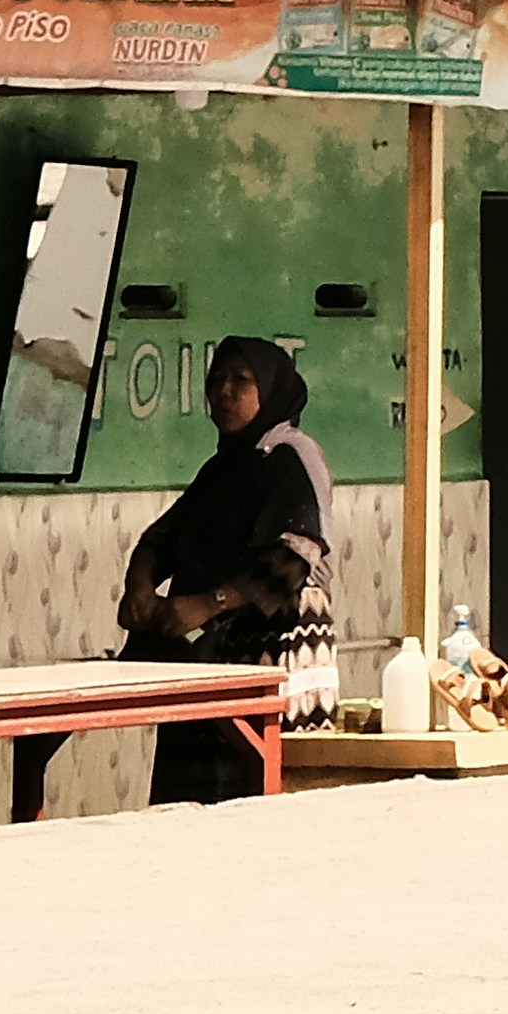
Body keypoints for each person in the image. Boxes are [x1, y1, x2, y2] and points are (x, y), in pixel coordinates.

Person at [118, 335, 336, 805]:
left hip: (276, 655)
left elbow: (296, 553)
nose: (225, 391)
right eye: (217, 379)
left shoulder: (291, 456)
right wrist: (139, 589)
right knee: (193, 812)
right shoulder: (222, 469)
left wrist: (206, 604)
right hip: (214, 659)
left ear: (272, 390)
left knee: (262, 805)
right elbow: (160, 540)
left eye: (242, 380)